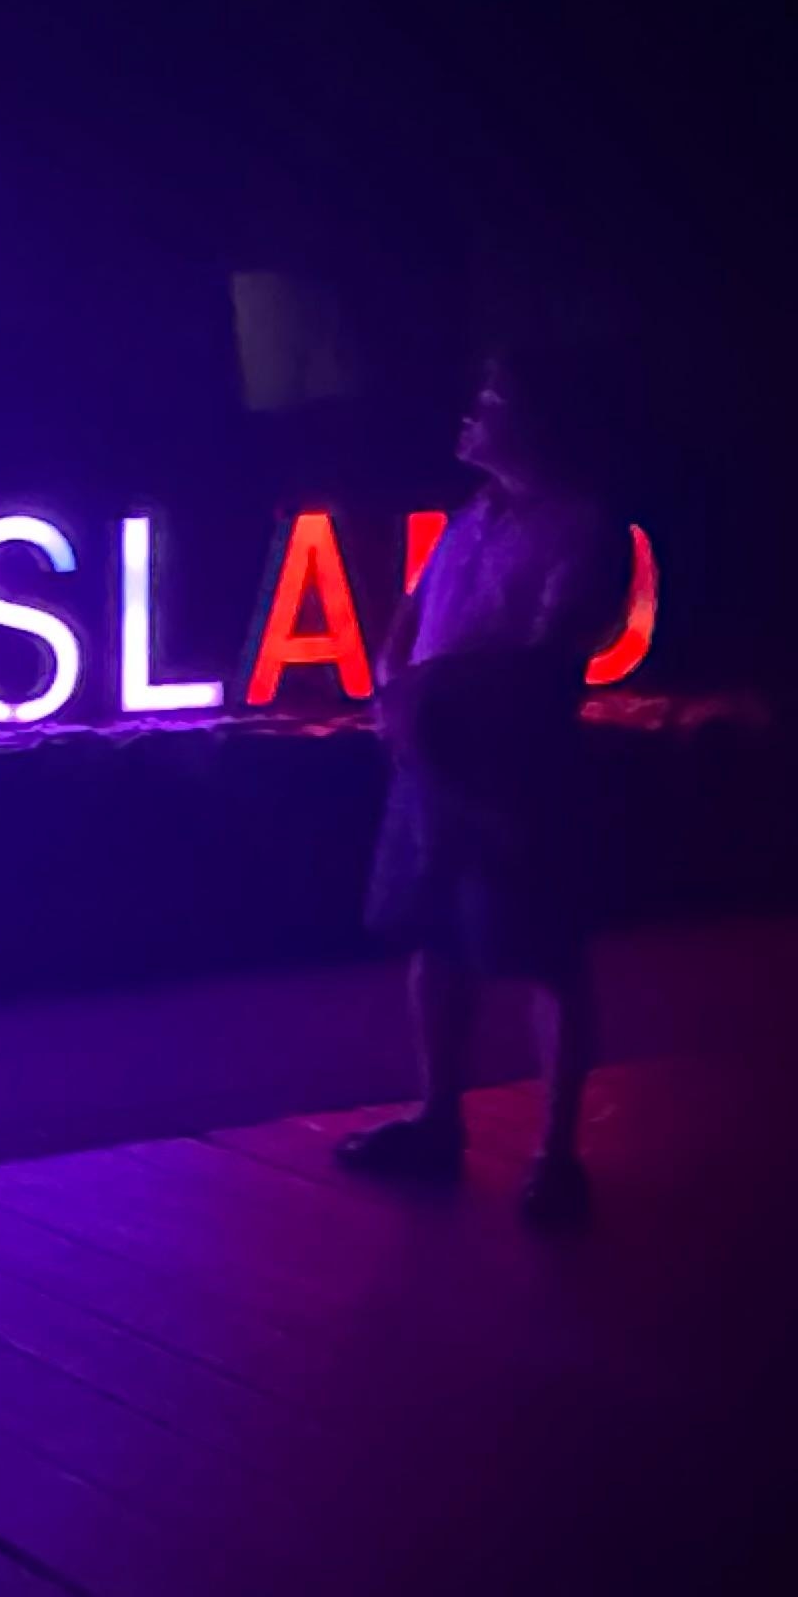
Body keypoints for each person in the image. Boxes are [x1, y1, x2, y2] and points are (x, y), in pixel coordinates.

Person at [340, 346, 633, 1226]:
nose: (472, 412)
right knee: (436, 934)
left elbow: (551, 656)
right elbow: (413, 613)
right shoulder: (475, 515)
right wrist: (398, 690)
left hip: (517, 766)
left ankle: (557, 1152)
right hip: (435, 756)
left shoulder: (586, 528)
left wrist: (423, 693)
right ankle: (439, 1119)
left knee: (548, 950)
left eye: (493, 400)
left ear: (538, 421)